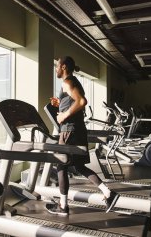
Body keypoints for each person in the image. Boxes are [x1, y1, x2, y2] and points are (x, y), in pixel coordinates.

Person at [46, 56, 120, 216]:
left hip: (69, 130)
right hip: (77, 130)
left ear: (64, 67)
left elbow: (81, 101)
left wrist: (63, 115)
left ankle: (63, 206)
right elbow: (71, 101)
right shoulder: (72, 82)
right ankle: (108, 193)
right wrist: (57, 104)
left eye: (57, 66)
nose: (56, 69)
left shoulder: (68, 82)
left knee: (60, 165)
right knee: (78, 166)